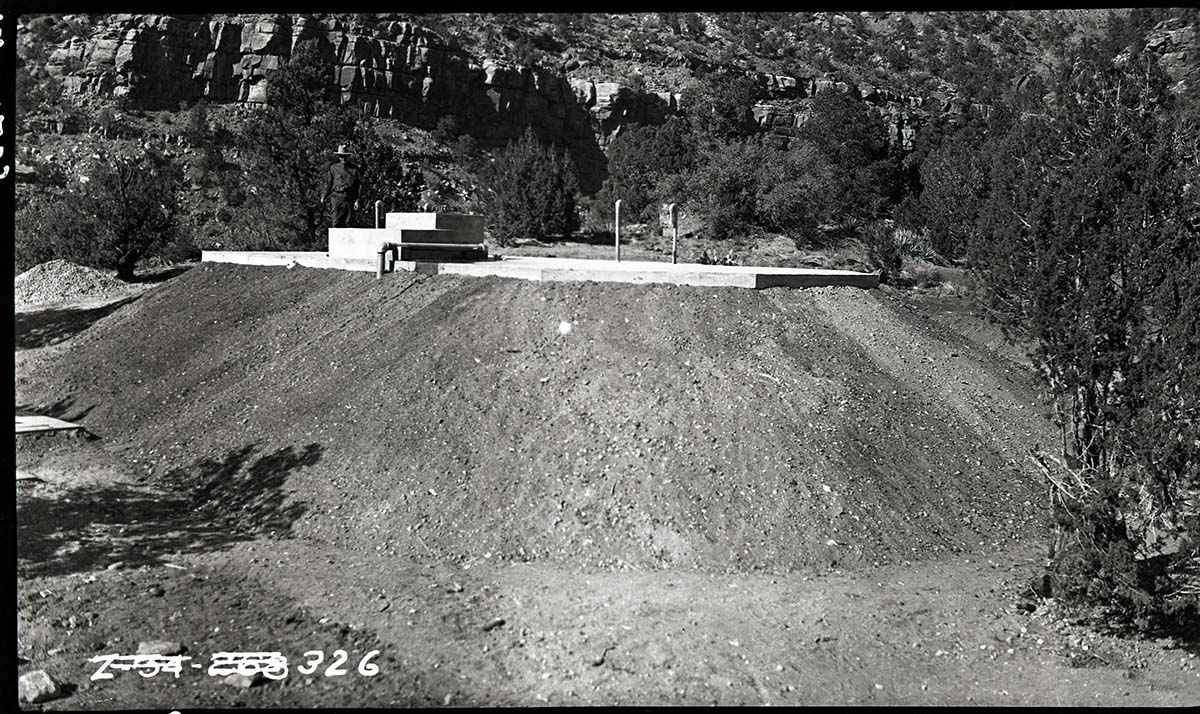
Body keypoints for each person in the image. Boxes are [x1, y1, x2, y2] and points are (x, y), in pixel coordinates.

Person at [321, 144, 361, 227]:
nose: (343, 159)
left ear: (348, 157)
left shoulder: (354, 169)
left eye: (345, 157)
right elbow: (329, 183)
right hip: (337, 198)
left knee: (349, 222)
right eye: (341, 156)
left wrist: (358, 199)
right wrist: (324, 195)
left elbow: (359, 185)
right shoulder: (333, 168)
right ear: (339, 157)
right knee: (336, 222)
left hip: (350, 199)